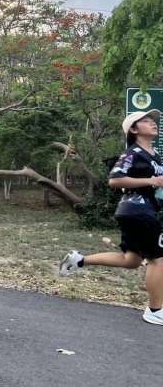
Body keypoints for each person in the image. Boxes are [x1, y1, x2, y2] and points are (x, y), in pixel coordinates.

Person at [60, 109, 163, 326]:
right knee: (157, 259)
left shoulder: (154, 155)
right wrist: (151, 181)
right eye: (146, 121)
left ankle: (79, 260)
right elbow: (115, 180)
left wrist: (155, 184)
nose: (153, 123)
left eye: (153, 120)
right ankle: (155, 310)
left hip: (139, 211)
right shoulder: (132, 153)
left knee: (132, 260)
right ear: (134, 130)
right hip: (137, 211)